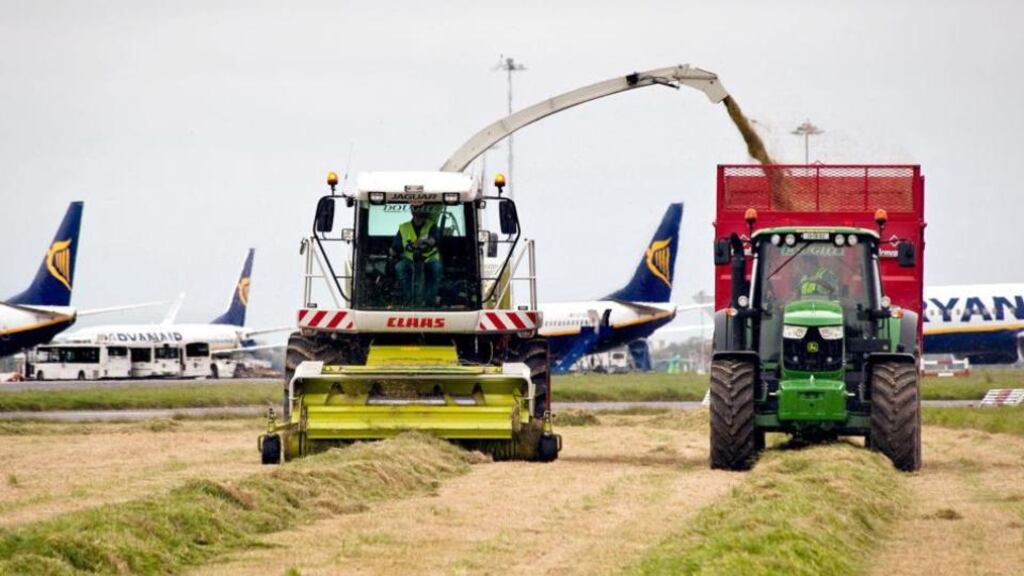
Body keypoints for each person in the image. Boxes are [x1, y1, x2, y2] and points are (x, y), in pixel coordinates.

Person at [390, 204, 442, 305]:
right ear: (412, 212)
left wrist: (423, 241)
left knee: (436, 268)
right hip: (410, 260)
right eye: (415, 209)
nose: (418, 213)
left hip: (428, 259)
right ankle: (409, 299)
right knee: (400, 267)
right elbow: (396, 246)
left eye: (420, 209)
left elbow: (434, 240)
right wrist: (393, 251)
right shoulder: (403, 228)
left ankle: (430, 301)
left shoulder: (432, 226)